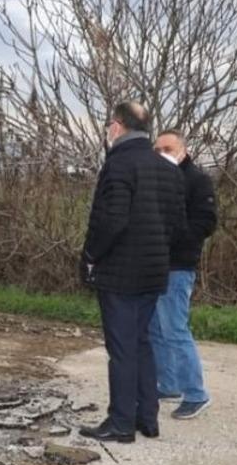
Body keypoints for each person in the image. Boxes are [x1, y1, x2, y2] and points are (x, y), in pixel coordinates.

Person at [79, 102, 186, 443]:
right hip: (155, 271)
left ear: (117, 126)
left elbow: (112, 220)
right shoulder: (168, 168)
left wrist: (92, 255)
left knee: (122, 349)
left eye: (110, 125)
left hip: (120, 273)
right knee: (142, 343)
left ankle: (121, 423)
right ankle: (147, 418)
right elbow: (176, 225)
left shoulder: (119, 164)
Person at [151, 130, 217, 419]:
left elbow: (206, 222)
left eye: (168, 147)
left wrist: (174, 238)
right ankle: (168, 384)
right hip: (154, 264)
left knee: (175, 330)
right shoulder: (156, 178)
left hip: (178, 265)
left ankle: (195, 393)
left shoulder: (197, 180)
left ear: (183, 150)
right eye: (158, 148)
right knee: (155, 328)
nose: (162, 153)